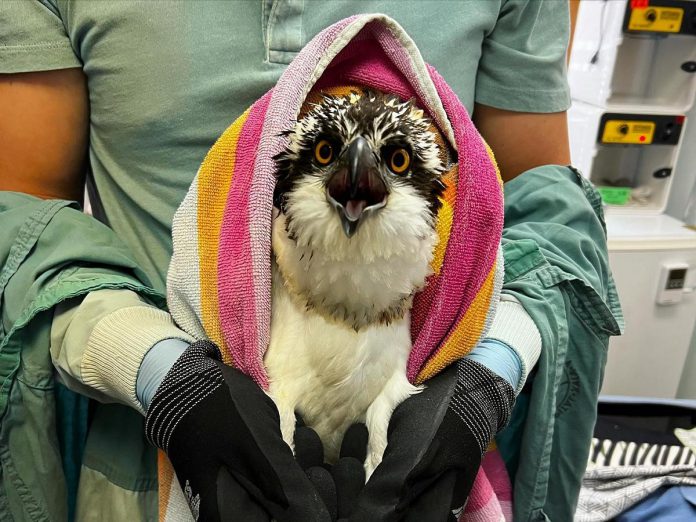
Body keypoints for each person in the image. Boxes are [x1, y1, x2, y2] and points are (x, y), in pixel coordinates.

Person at [0, 1, 622, 521]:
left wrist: (488, 372)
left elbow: (541, 219)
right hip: (145, 463)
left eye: (396, 164)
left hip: (421, 469)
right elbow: (26, 238)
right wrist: (157, 371)